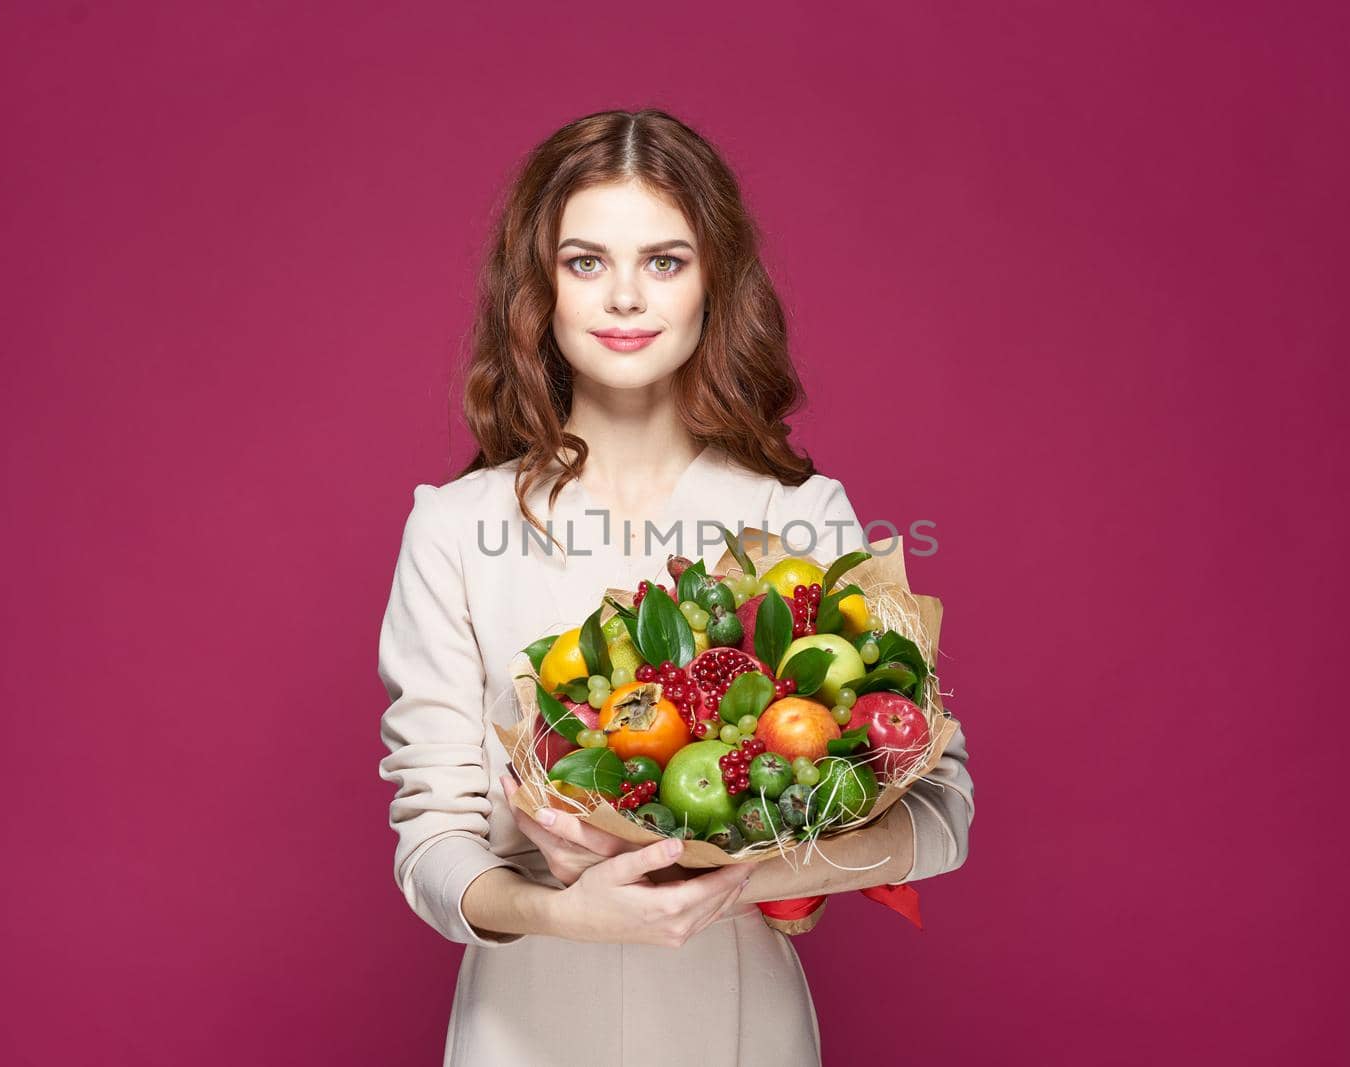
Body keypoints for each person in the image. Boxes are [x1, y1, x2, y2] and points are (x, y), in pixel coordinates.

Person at [377, 108, 974, 1066]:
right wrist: (567, 913)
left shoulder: (804, 518)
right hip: (526, 1021)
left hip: (738, 1020)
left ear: (714, 283)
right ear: (538, 290)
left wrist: (737, 881)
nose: (623, 297)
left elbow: (941, 812)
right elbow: (432, 846)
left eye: (664, 260)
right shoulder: (454, 529)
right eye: (584, 262)